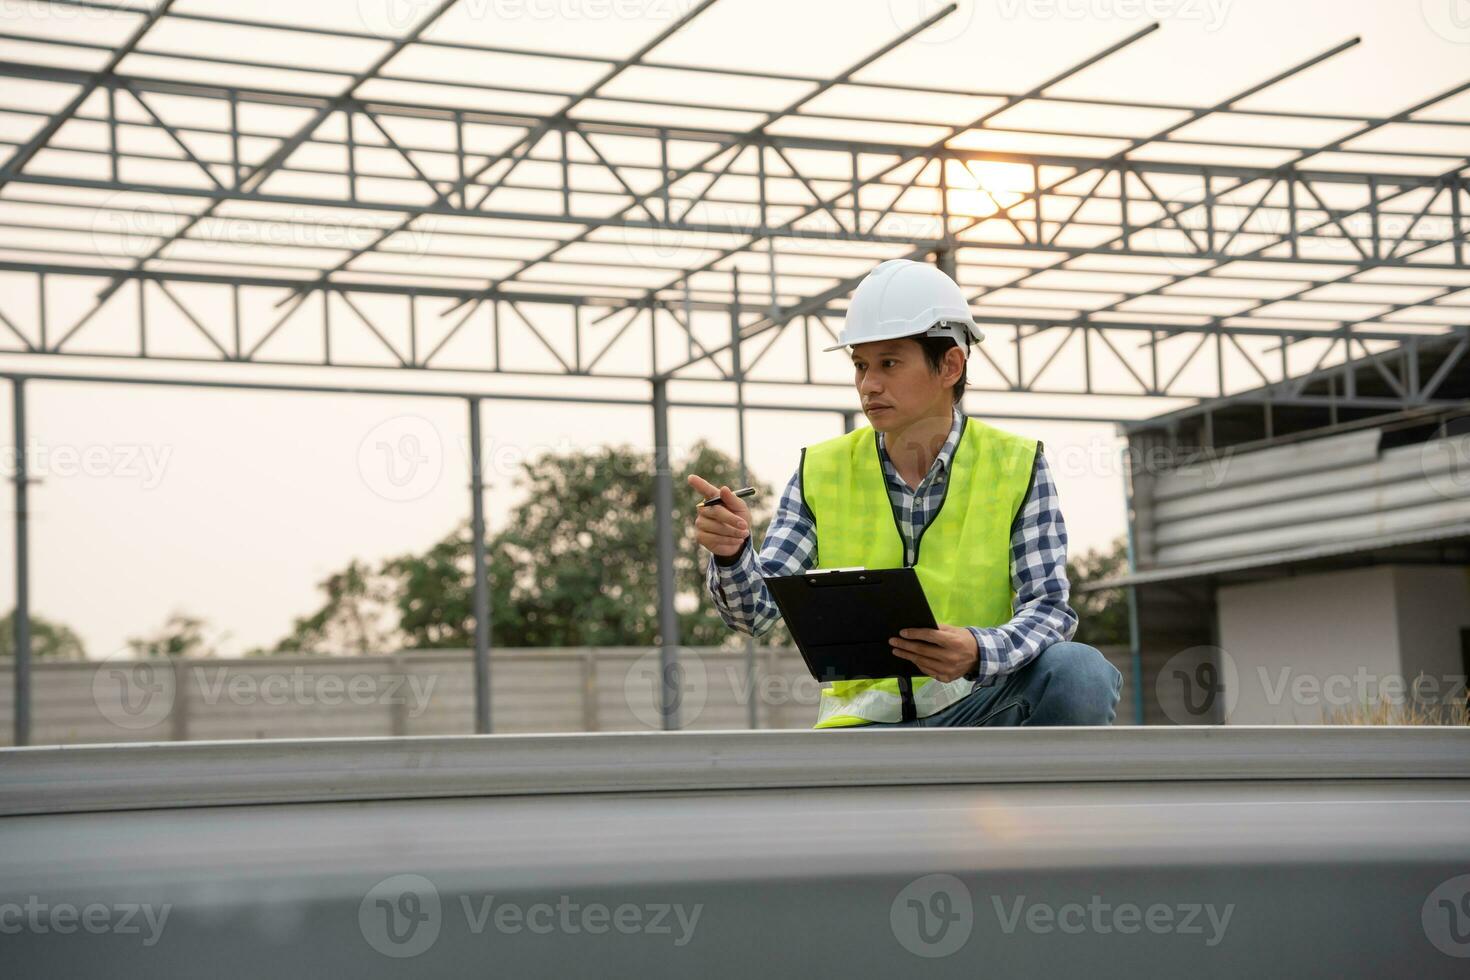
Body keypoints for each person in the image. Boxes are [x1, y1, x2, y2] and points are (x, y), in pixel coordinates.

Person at [688, 258, 1122, 728]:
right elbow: (757, 614)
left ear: (950, 365)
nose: (868, 385)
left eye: (889, 363)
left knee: (1079, 671)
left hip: (976, 714)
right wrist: (733, 555)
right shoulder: (821, 470)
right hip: (862, 732)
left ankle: (1040, 801)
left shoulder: (1016, 465)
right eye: (860, 365)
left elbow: (1049, 608)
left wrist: (979, 650)